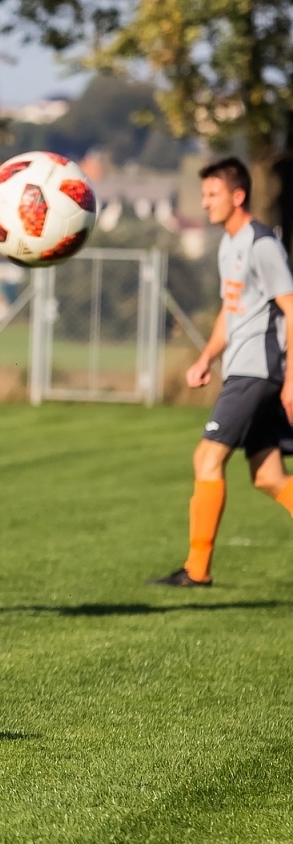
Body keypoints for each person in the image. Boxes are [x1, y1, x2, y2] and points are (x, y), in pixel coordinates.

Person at [152, 156, 293, 587]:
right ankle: (196, 570)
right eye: (204, 194)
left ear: (238, 195)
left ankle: (197, 570)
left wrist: (292, 378)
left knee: (207, 457)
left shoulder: (261, 244)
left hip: (257, 371)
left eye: (212, 194)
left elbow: (292, 308)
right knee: (268, 477)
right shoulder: (229, 244)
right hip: (242, 368)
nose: (205, 202)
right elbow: (231, 313)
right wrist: (205, 358)